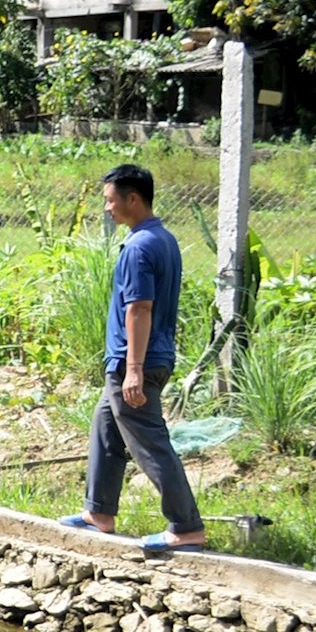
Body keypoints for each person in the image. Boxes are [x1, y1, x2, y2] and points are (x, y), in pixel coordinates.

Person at [61, 164, 206, 555]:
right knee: (105, 427)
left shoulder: (139, 246)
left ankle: (186, 527)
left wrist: (134, 370)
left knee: (149, 443)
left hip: (135, 360)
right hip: (143, 357)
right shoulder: (164, 238)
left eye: (110, 200)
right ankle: (98, 512)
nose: (106, 208)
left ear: (133, 199)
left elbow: (139, 308)